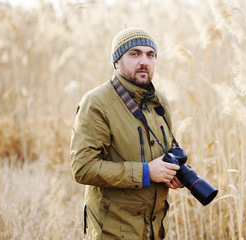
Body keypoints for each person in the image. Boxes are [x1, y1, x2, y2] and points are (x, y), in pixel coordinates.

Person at [70, 27, 183, 240]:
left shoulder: (160, 102)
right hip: (113, 231)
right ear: (116, 62)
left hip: (154, 229)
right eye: (134, 54)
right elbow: (83, 168)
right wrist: (147, 172)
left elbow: (161, 153)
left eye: (150, 55)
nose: (144, 61)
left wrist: (173, 173)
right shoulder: (96, 103)